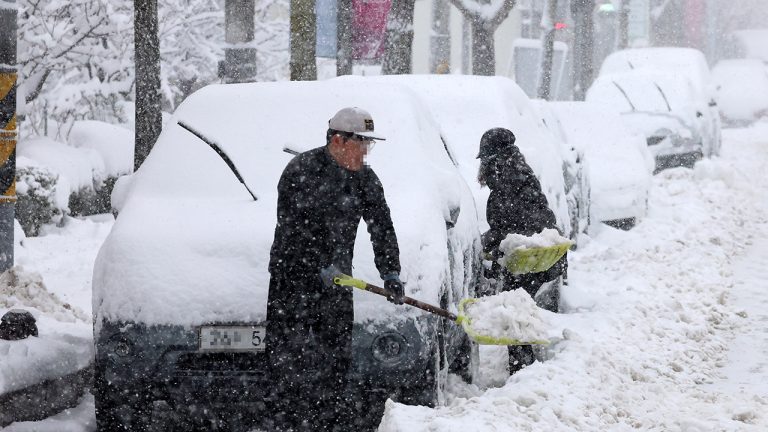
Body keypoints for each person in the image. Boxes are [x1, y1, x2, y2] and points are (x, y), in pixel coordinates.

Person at [266, 107, 405, 431]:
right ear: (339, 140)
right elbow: (292, 229)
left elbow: (382, 227)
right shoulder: (301, 171)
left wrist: (391, 273)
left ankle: (327, 422)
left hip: (337, 284)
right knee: (288, 364)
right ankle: (287, 423)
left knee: (335, 363)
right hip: (292, 283)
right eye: (362, 143)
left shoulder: (365, 180)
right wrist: (316, 266)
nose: (367, 151)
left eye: (370, 145)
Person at [476, 127, 567, 375]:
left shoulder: (509, 179)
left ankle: (523, 370)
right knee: (518, 309)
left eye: (484, 159)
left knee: (515, 311)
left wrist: (485, 242)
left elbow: (512, 224)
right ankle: (524, 367)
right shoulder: (515, 173)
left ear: (492, 157)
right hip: (531, 260)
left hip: (529, 260)